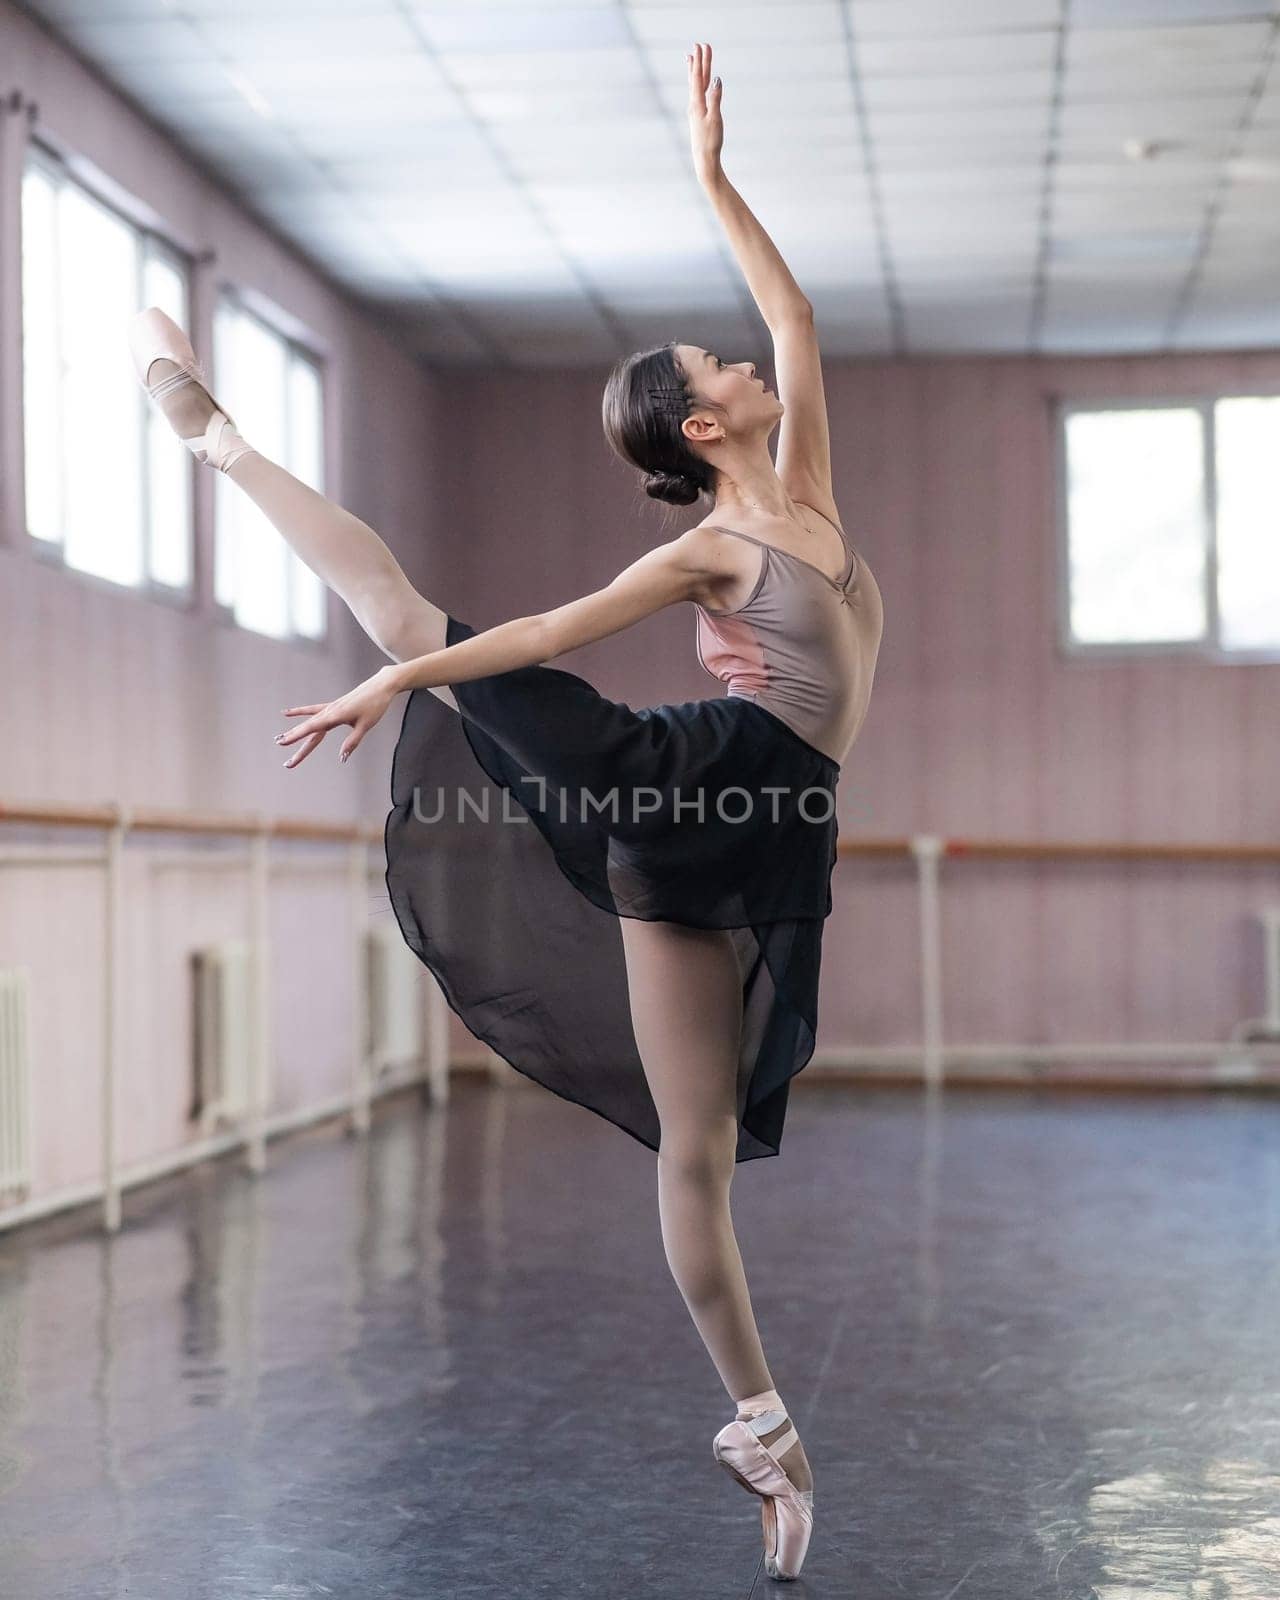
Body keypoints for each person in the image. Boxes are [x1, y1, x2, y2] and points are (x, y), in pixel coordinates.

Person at [127, 42, 883, 1584]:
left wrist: (712, 178)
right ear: (699, 429)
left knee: (701, 1148)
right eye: (715, 367)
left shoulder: (804, 480)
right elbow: (544, 635)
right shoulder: (717, 552)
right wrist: (397, 690)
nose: (742, 361)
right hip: (676, 796)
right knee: (416, 620)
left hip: (767, 818)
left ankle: (759, 1432)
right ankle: (221, 444)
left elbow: (797, 315)